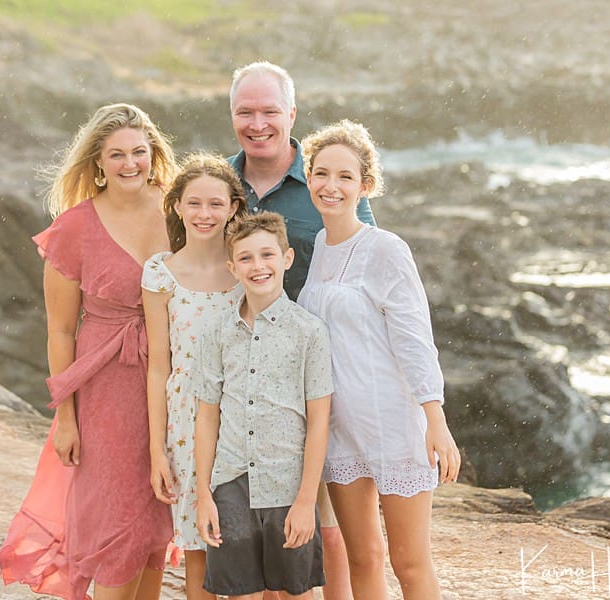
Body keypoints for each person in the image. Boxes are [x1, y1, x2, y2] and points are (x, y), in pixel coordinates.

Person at [0, 103, 177, 600]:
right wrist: (66, 419)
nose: (130, 163)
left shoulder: (176, 210)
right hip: (104, 391)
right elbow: (60, 332)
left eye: (139, 151)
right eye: (116, 154)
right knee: (116, 521)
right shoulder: (75, 227)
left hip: (171, 379)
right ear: (97, 161)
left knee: (156, 521)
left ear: (154, 153)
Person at [297, 120, 461, 599]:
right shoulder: (321, 248)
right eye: (321, 173)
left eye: (345, 176)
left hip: (392, 421)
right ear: (308, 179)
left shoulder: (386, 249)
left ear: (365, 186)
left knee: (409, 563)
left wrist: (436, 418)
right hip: (340, 427)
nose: (331, 186)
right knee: (362, 557)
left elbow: (414, 338)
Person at [227, 61, 369, 598]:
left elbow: (365, 264)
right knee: (257, 524)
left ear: (291, 114)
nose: (258, 123)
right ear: (232, 115)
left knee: (325, 528)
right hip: (240, 375)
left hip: (317, 375)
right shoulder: (219, 183)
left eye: (270, 111)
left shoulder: (323, 182)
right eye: (246, 112)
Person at [194, 212, 333, 599]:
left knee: (297, 592)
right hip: (231, 484)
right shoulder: (216, 332)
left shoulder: (310, 332)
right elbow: (207, 416)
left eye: (267, 255)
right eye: (246, 258)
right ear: (232, 267)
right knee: (240, 593)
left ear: (287, 258)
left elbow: (319, 421)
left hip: (289, 486)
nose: (258, 266)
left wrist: (307, 501)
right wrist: (204, 494)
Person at [142, 153, 247, 600]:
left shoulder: (248, 268)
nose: (205, 214)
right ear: (179, 207)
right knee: (199, 548)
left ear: (233, 209)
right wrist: (156, 451)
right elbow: (158, 366)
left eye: (216, 204)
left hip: (244, 418)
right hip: (185, 422)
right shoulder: (160, 273)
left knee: (246, 547)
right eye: (195, 203)